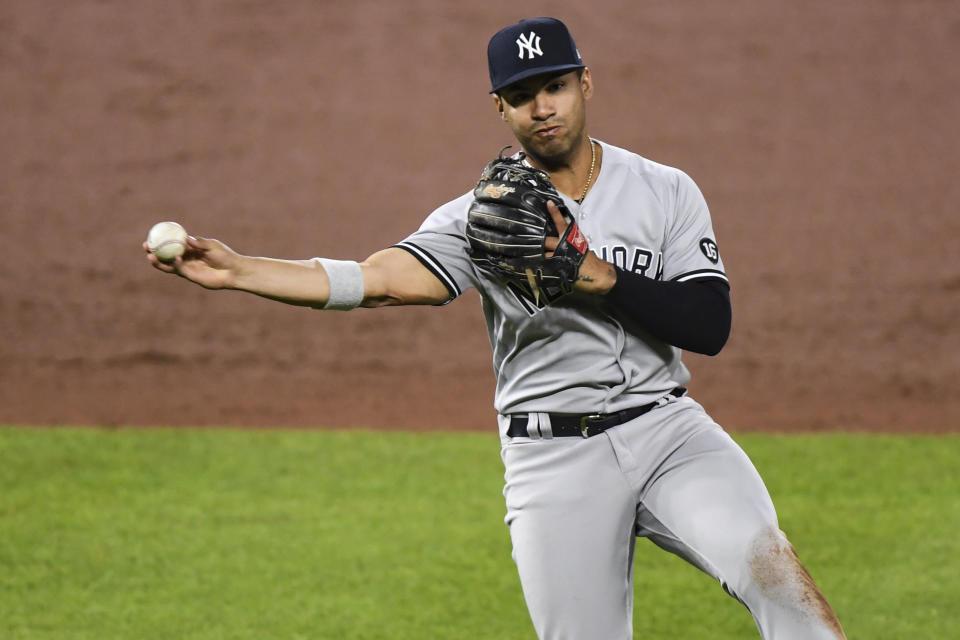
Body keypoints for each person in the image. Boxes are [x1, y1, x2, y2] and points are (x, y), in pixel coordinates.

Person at [146, 17, 846, 640]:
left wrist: (590, 272)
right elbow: (381, 280)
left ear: (586, 83)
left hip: (668, 433)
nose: (543, 108)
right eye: (521, 96)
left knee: (777, 580)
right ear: (499, 109)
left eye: (556, 87)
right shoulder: (482, 218)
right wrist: (241, 271)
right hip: (552, 460)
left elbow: (710, 324)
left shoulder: (664, 190)